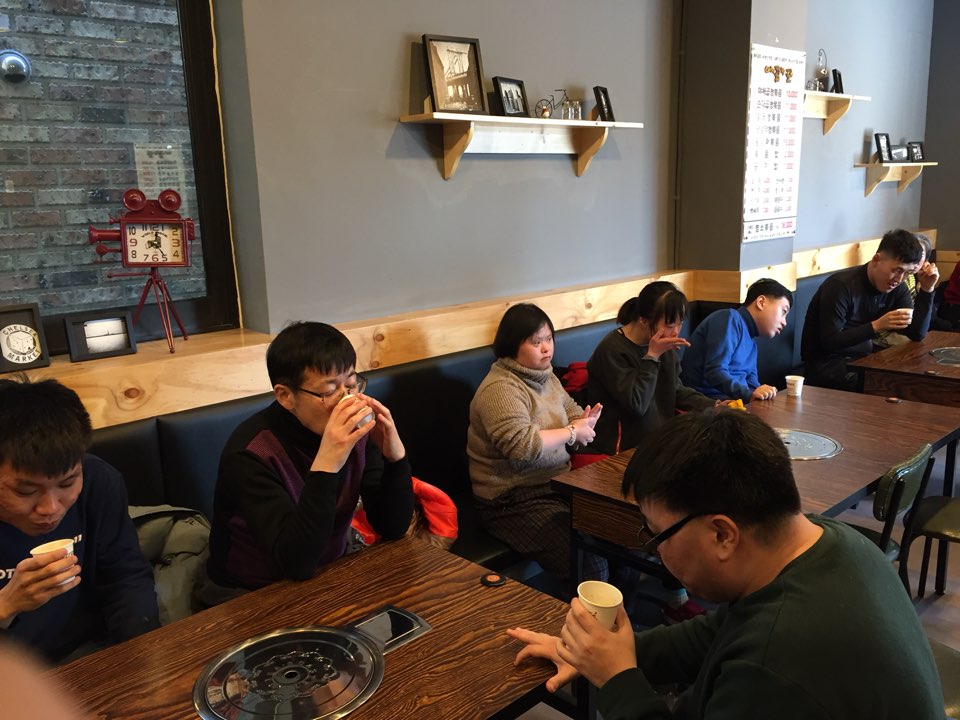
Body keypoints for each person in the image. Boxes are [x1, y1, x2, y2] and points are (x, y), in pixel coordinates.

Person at [508, 409, 945, 719]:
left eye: (656, 535)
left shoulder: (776, 667)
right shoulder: (830, 541)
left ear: (722, 535)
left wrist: (619, 680)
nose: (654, 551)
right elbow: (716, 633)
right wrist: (601, 655)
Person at [201, 321, 414, 601]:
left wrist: (395, 458)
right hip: (250, 593)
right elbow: (296, 562)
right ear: (285, 396)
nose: (347, 401)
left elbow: (393, 527)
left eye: (351, 384)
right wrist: (328, 462)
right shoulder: (251, 453)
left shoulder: (358, 432)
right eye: (330, 391)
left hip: (331, 570)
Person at [0, 377, 159, 663]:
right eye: (25, 491)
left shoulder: (99, 482)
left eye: (67, 483)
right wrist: (6, 604)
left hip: (85, 654)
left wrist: (141, 660)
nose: (50, 508)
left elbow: (124, 577)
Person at [468, 303, 602, 581]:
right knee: (587, 562)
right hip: (511, 500)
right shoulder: (501, 388)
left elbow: (571, 409)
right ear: (512, 345)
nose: (546, 348)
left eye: (549, 338)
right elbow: (522, 445)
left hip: (557, 484)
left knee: (616, 534)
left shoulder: (547, 376)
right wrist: (573, 432)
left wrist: (584, 423)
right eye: (535, 342)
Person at [586, 281, 715, 456]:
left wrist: (713, 405)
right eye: (670, 325)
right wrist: (652, 356)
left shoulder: (661, 345)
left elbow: (675, 390)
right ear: (643, 321)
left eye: (680, 323)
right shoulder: (612, 350)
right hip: (623, 449)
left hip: (660, 440)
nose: (676, 332)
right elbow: (637, 405)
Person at [801, 228, 938, 391]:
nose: (899, 279)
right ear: (876, 260)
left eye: (907, 273)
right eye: (896, 270)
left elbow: (917, 333)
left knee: (915, 377)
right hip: (825, 364)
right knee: (887, 384)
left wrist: (927, 290)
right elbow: (829, 342)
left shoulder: (897, 287)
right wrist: (877, 326)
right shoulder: (840, 286)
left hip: (862, 359)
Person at [681, 278, 793, 402]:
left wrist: (763, 394)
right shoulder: (729, 318)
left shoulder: (752, 343)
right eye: (783, 312)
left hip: (733, 403)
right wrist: (749, 395)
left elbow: (752, 385)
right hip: (707, 404)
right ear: (761, 302)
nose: (785, 322)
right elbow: (715, 371)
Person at [875, 232, 937, 347]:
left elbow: (930, 320)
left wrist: (926, 289)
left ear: (926, 260)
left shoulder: (913, 279)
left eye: (919, 255)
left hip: (907, 332)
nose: (913, 259)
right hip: (883, 336)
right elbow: (907, 327)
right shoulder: (893, 280)